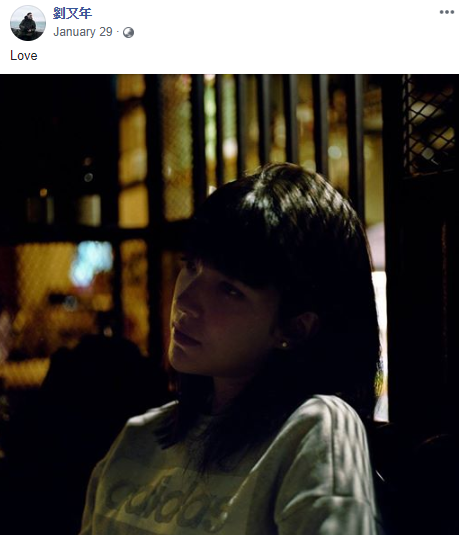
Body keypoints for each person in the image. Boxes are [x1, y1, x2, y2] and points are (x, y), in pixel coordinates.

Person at [79, 163, 383, 535]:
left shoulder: (316, 429)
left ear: (295, 327)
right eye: (191, 266)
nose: (185, 301)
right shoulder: (139, 437)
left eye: (229, 289)